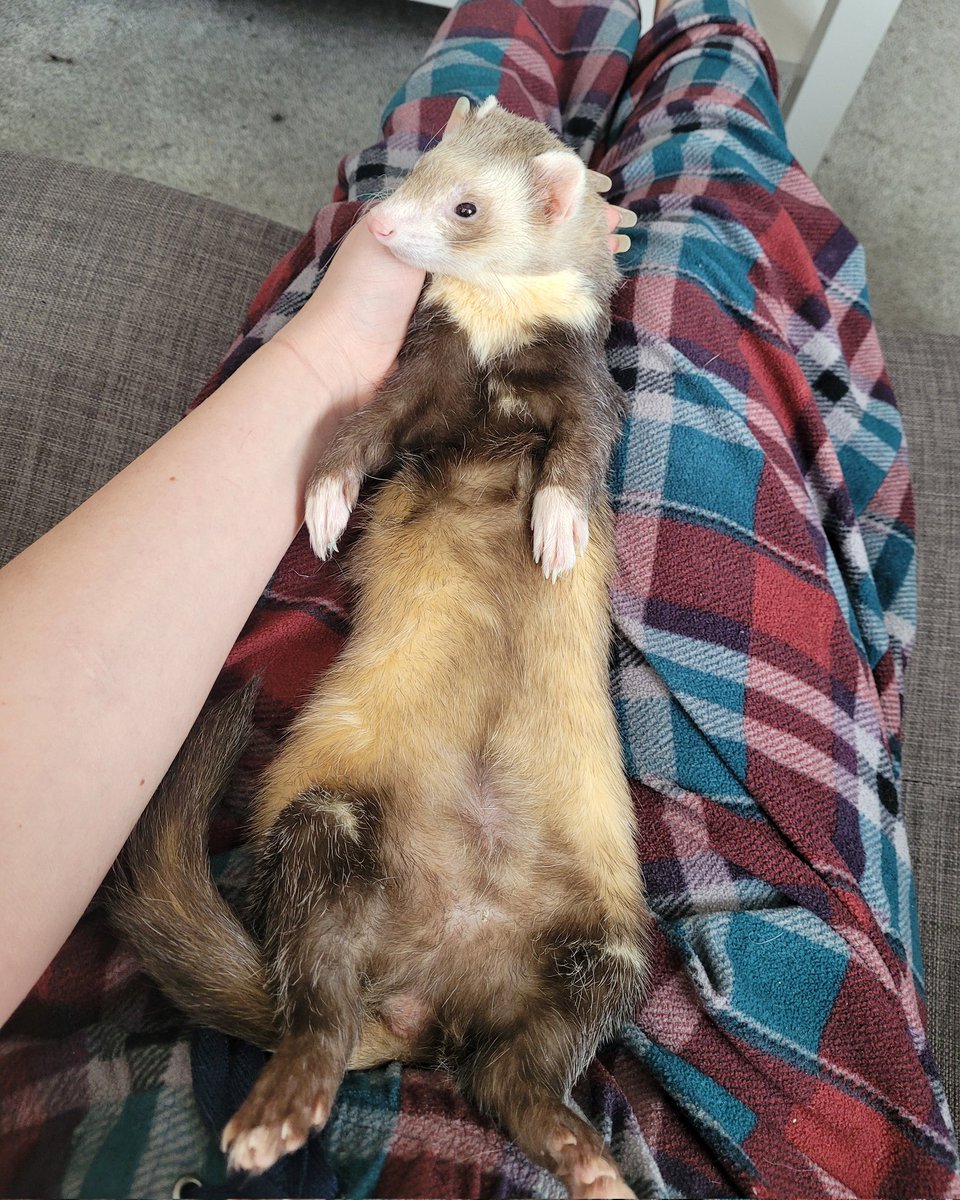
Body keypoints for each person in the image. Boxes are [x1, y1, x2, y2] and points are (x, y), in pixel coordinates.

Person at [0, 0, 957, 1194]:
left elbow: (423, 230)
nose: (399, 222)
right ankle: (702, 29)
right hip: (664, 1059)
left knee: (413, 172)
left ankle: (532, 14)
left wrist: (339, 337)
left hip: (227, 1003)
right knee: (705, 256)